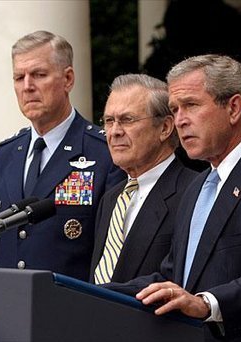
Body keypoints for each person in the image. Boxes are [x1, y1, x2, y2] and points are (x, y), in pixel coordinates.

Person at [104, 55, 241, 341]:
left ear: (234, 108)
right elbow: (173, 277)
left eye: (190, 105)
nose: (180, 120)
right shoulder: (198, 186)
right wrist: (90, 294)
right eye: (175, 110)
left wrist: (205, 304)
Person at [0, 31, 125, 281]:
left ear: (68, 79)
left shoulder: (103, 152)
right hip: (10, 309)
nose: (27, 87)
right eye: (19, 77)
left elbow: (111, 254)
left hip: (70, 310)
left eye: (39, 75)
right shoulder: (3, 157)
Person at [89, 74, 198, 284]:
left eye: (127, 120)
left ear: (165, 128)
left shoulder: (194, 192)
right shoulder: (111, 199)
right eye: (109, 121)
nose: (114, 132)